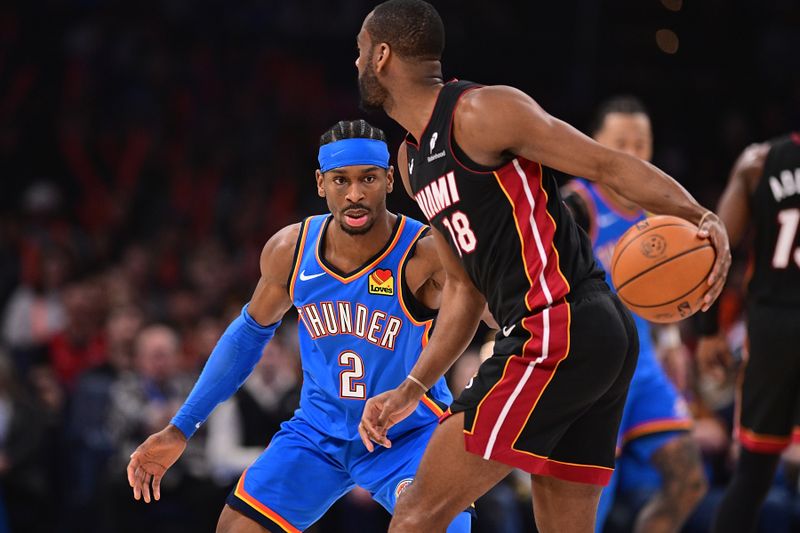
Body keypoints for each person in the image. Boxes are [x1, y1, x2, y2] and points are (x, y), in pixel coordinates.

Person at [354, 2, 731, 532]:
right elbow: (464, 292)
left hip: (558, 325)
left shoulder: (482, 112)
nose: (355, 64)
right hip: (584, 335)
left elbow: (606, 165)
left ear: (382, 55)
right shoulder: (411, 162)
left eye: (359, 52)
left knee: (417, 512)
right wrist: (412, 387)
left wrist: (697, 214)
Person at [126, 119, 473, 533]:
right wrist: (181, 427)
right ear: (320, 183)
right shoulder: (291, 251)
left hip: (408, 435)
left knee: (434, 526)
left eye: (369, 178)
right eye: (341, 180)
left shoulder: (425, 255)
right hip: (318, 433)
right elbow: (246, 338)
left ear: (390, 180)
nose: (356, 194)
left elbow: (477, 312)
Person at [561, 96, 707, 532]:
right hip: (592, 372)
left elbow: (668, 288)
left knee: (689, 480)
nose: (632, 153)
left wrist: (670, 343)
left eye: (641, 143)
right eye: (620, 142)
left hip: (642, 368)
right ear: (596, 145)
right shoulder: (575, 205)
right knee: (589, 507)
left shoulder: (658, 210)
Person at [694, 133, 800, 533]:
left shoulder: (759, 162)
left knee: (754, 474)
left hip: (772, 331)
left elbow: (716, 248)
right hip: (772, 325)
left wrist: (707, 332)